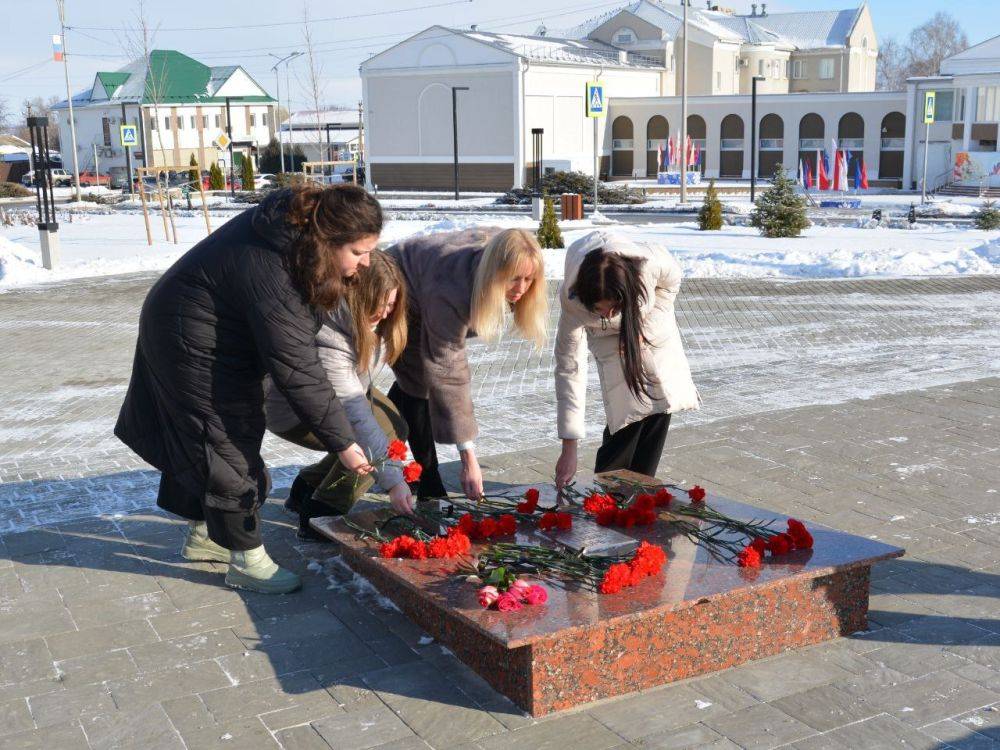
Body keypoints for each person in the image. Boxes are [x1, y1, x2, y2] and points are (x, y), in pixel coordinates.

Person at [114, 184, 382, 594]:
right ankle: (246, 560)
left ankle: (205, 536)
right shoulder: (274, 264)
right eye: (359, 252)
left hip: (203, 326)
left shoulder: (293, 239)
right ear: (328, 241)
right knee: (223, 437)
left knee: (218, 432)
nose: (366, 263)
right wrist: (343, 443)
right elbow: (298, 368)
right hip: (189, 337)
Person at [387, 227, 547, 501]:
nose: (521, 289)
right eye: (513, 279)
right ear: (495, 272)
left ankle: (389, 454)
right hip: (398, 289)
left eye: (528, 279)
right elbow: (449, 371)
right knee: (419, 383)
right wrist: (468, 459)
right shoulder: (453, 289)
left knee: (411, 388)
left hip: (429, 286)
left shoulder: (503, 252)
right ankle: (428, 482)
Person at [266, 250, 414, 539]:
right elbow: (356, 417)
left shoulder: (365, 320)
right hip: (293, 411)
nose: (386, 313)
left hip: (341, 392)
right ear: (359, 298)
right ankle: (323, 512)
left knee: (396, 424)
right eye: (379, 305)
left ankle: (307, 486)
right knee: (376, 437)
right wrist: (395, 482)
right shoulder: (330, 337)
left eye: (392, 304)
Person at [553, 230, 699, 488]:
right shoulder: (573, 302)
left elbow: (672, 280)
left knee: (659, 402)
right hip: (608, 341)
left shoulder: (649, 264)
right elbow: (569, 368)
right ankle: (609, 495)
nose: (609, 313)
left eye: (614, 306)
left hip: (647, 326)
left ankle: (642, 491)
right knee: (626, 413)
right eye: (600, 308)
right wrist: (569, 446)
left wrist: (646, 326)